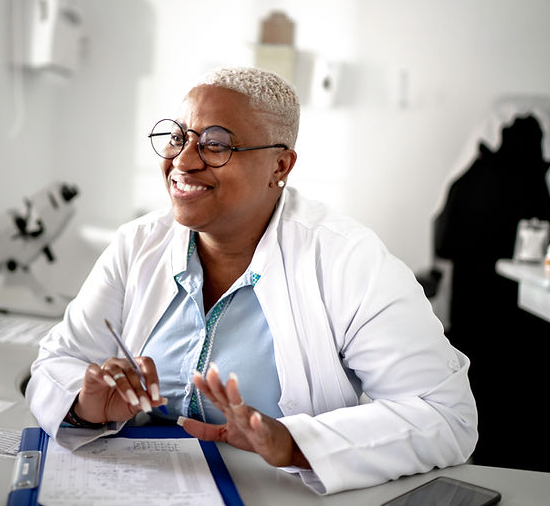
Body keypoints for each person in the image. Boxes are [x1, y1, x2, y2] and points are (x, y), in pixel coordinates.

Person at [26, 66, 477, 495]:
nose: (184, 161)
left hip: (275, 493)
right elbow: (57, 361)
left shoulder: (349, 261)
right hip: (140, 482)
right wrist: (86, 409)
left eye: (216, 145)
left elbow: (446, 417)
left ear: (280, 166)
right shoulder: (137, 245)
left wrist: (293, 442)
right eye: (178, 138)